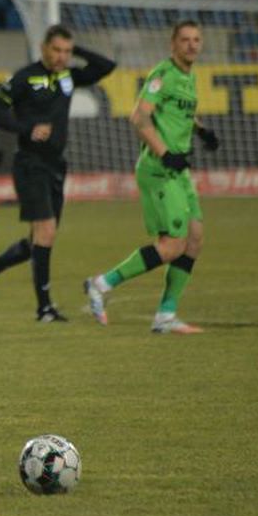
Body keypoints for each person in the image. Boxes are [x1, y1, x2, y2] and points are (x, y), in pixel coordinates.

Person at [84, 19, 220, 333]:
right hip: (159, 169)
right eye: (185, 40)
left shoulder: (189, 76)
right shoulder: (164, 74)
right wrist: (165, 153)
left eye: (196, 40)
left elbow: (178, 111)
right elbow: (139, 115)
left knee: (195, 239)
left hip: (178, 170)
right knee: (172, 245)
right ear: (173, 44)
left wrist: (201, 130)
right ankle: (100, 284)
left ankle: (166, 315)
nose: (191, 45)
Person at [0, 24, 116, 321]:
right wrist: (27, 128)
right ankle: (44, 308)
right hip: (30, 163)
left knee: (38, 241)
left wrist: (76, 50)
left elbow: (106, 66)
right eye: (57, 50)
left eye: (67, 51)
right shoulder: (25, 77)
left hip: (55, 165)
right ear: (43, 48)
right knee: (46, 233)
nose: (62, 56)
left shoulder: (67, 76)